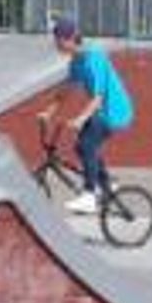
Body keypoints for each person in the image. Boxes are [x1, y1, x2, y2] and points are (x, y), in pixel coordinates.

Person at [38, 16, 135, 215]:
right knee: (81, 147)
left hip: (115, 112)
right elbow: (66, 90)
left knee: (87, 144)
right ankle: (106, 182)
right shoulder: (76, 61)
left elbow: (99, 97)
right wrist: (49, 111)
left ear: (71, 38)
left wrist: (81, 119)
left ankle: (90, 195)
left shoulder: (94, 58)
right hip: (100, 111)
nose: (56, 44)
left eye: (58, 40)